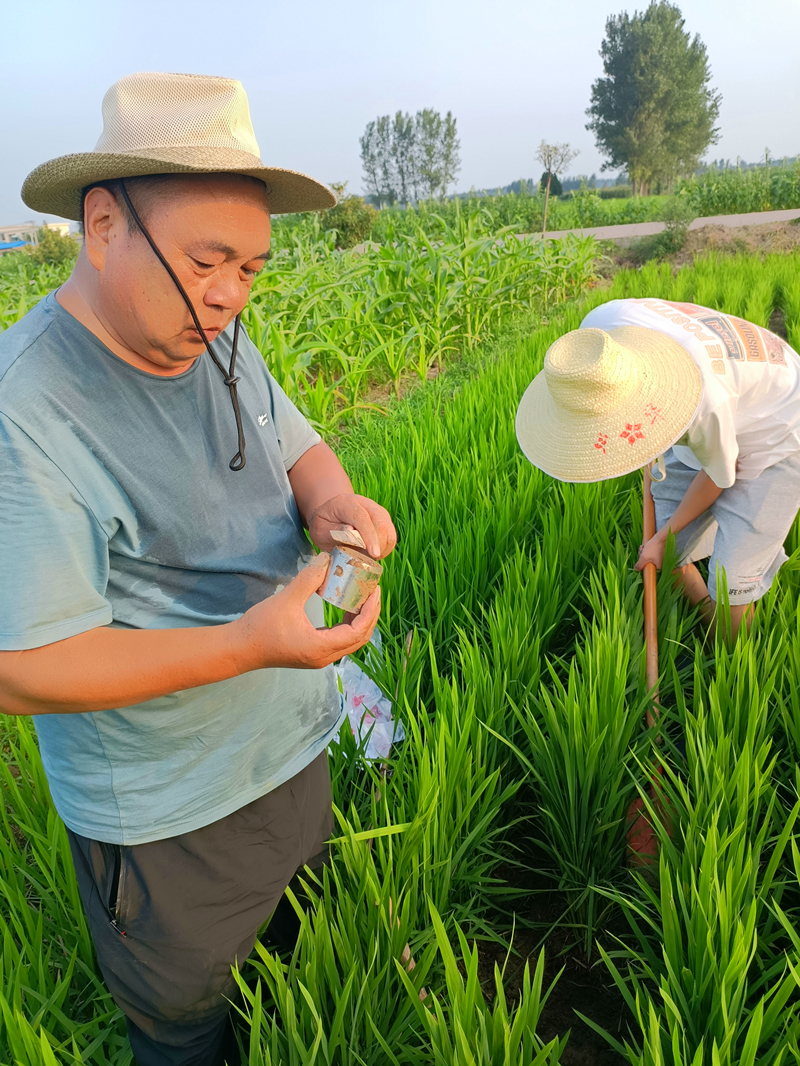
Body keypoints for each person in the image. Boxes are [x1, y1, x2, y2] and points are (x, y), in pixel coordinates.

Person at [0, 72, 396, 1066]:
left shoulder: (209, 333)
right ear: (102, 225)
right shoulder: (27, 411)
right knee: (188, 1035)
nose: (227, 294)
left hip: (294, 749)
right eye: (206, 260)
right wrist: (245, 644)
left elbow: (296, 443)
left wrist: (333, 505)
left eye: (252, 268)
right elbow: (19, 667)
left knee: (295, 989)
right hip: (172, 821)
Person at [515, 296, 800, 641]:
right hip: (714, 396)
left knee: (731, 582)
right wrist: (664, 541)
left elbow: (718, 477)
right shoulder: (601, 329)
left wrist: (663, 540)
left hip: (782, 429)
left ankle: (733, 657)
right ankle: (708, 622)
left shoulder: (706, 402)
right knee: (667, 553)